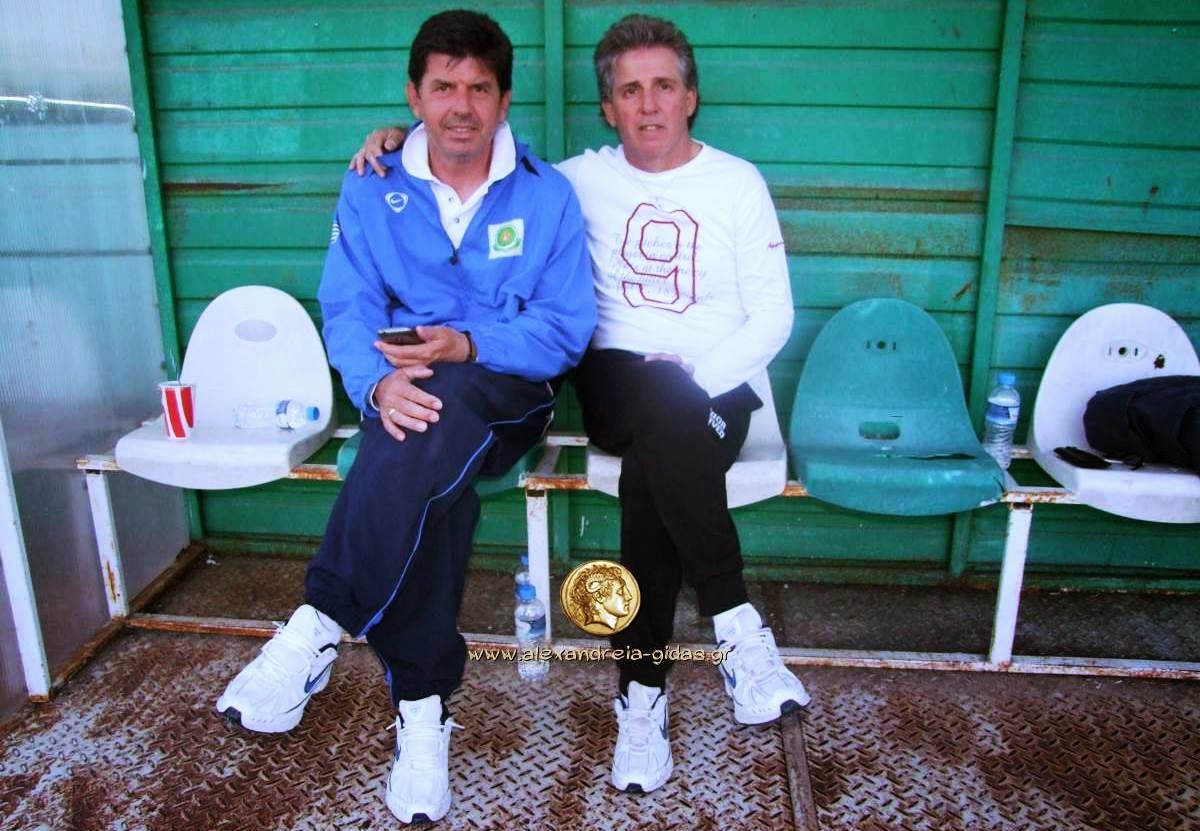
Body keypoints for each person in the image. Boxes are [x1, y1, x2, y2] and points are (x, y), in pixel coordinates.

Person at [352, 13, 807, 796]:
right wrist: (401, 140)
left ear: (691, 96)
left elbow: (774, 315)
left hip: (716, 387)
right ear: (607, 108)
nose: (648, 104)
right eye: (629, 91)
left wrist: (695, 374)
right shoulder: (572, 183)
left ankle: (641, 699)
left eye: (663, 86)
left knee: (655, 468)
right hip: (615, 381)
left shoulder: (737, 183)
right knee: (657, 419)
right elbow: (479, 156)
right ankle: (734, 622)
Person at [215, 10, 595, 825]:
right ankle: (422, 714)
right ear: (413, 96)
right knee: (431, 476)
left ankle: (321, 619)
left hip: (509, 391)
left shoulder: (548, 195)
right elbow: (348, 305)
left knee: (433, 420)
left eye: (480, 89)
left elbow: (566, 328)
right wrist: (373, 386)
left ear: (504, 100)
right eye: (444, 87)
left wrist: (471, 342)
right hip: (405, 393)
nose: (462, 106)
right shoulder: (372, 183)